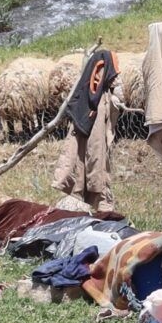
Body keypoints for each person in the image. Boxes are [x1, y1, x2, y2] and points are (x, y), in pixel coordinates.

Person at [49, 49, 119, 218]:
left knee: (84, 162)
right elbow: (96, 149)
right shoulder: (99, 100)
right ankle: (101, 206)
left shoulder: (90, 93)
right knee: (95, 162)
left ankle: (85, 201)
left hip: (88, 142)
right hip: (94, 152)